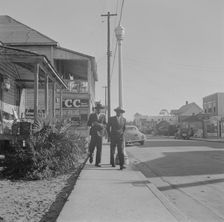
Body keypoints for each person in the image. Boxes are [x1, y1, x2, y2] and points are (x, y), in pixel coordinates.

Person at [87, 102, 106, 167]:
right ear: (95, 109)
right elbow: (88, 124)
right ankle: (91, 155)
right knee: (91, 147)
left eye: (100, 109)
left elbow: (105, 124)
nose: (98, 110)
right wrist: (93, 123)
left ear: (101, 109)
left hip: (100, 134)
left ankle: (98, 162)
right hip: (93, 134)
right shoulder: (92, 115)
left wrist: (101, 125)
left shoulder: (103, 116)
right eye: (97, 109)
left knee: (99, 149)